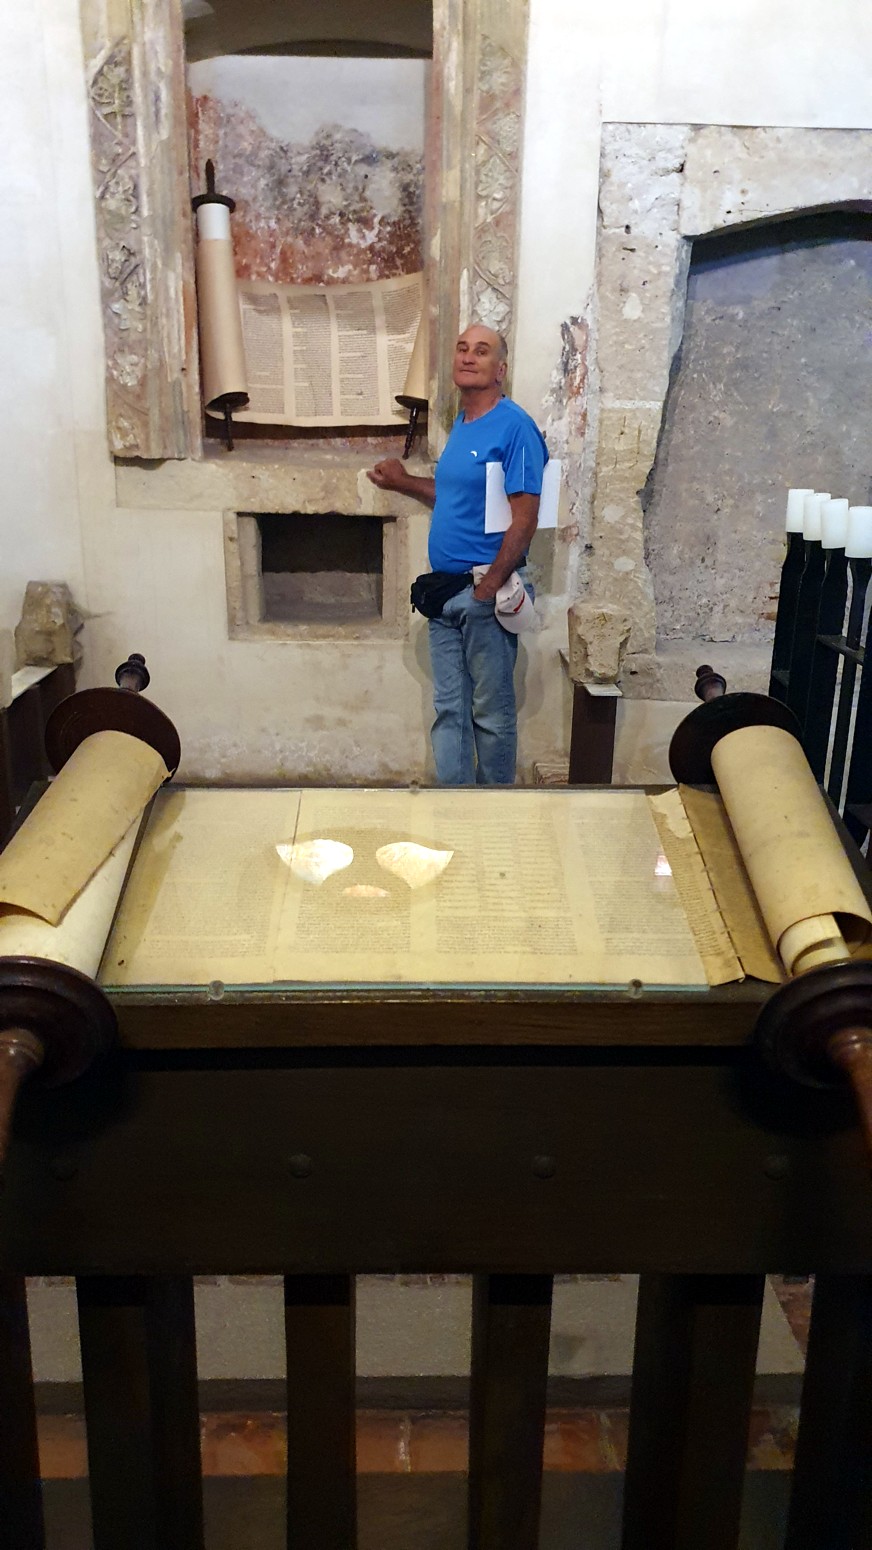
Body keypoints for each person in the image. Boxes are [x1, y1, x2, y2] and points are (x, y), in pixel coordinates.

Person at [368, 323, 547, 784]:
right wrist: (403, 481)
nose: (468, 356)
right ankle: (454, 804)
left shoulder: (515, 428)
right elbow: (455, 495)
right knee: (449, 708)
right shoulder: (464, 426)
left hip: (482, 592)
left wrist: (487, 588)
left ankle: (494, 806)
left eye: (481, 351)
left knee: (491, 712)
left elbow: (525, 517)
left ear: (500, 369)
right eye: (462, 348)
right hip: (444, 594)